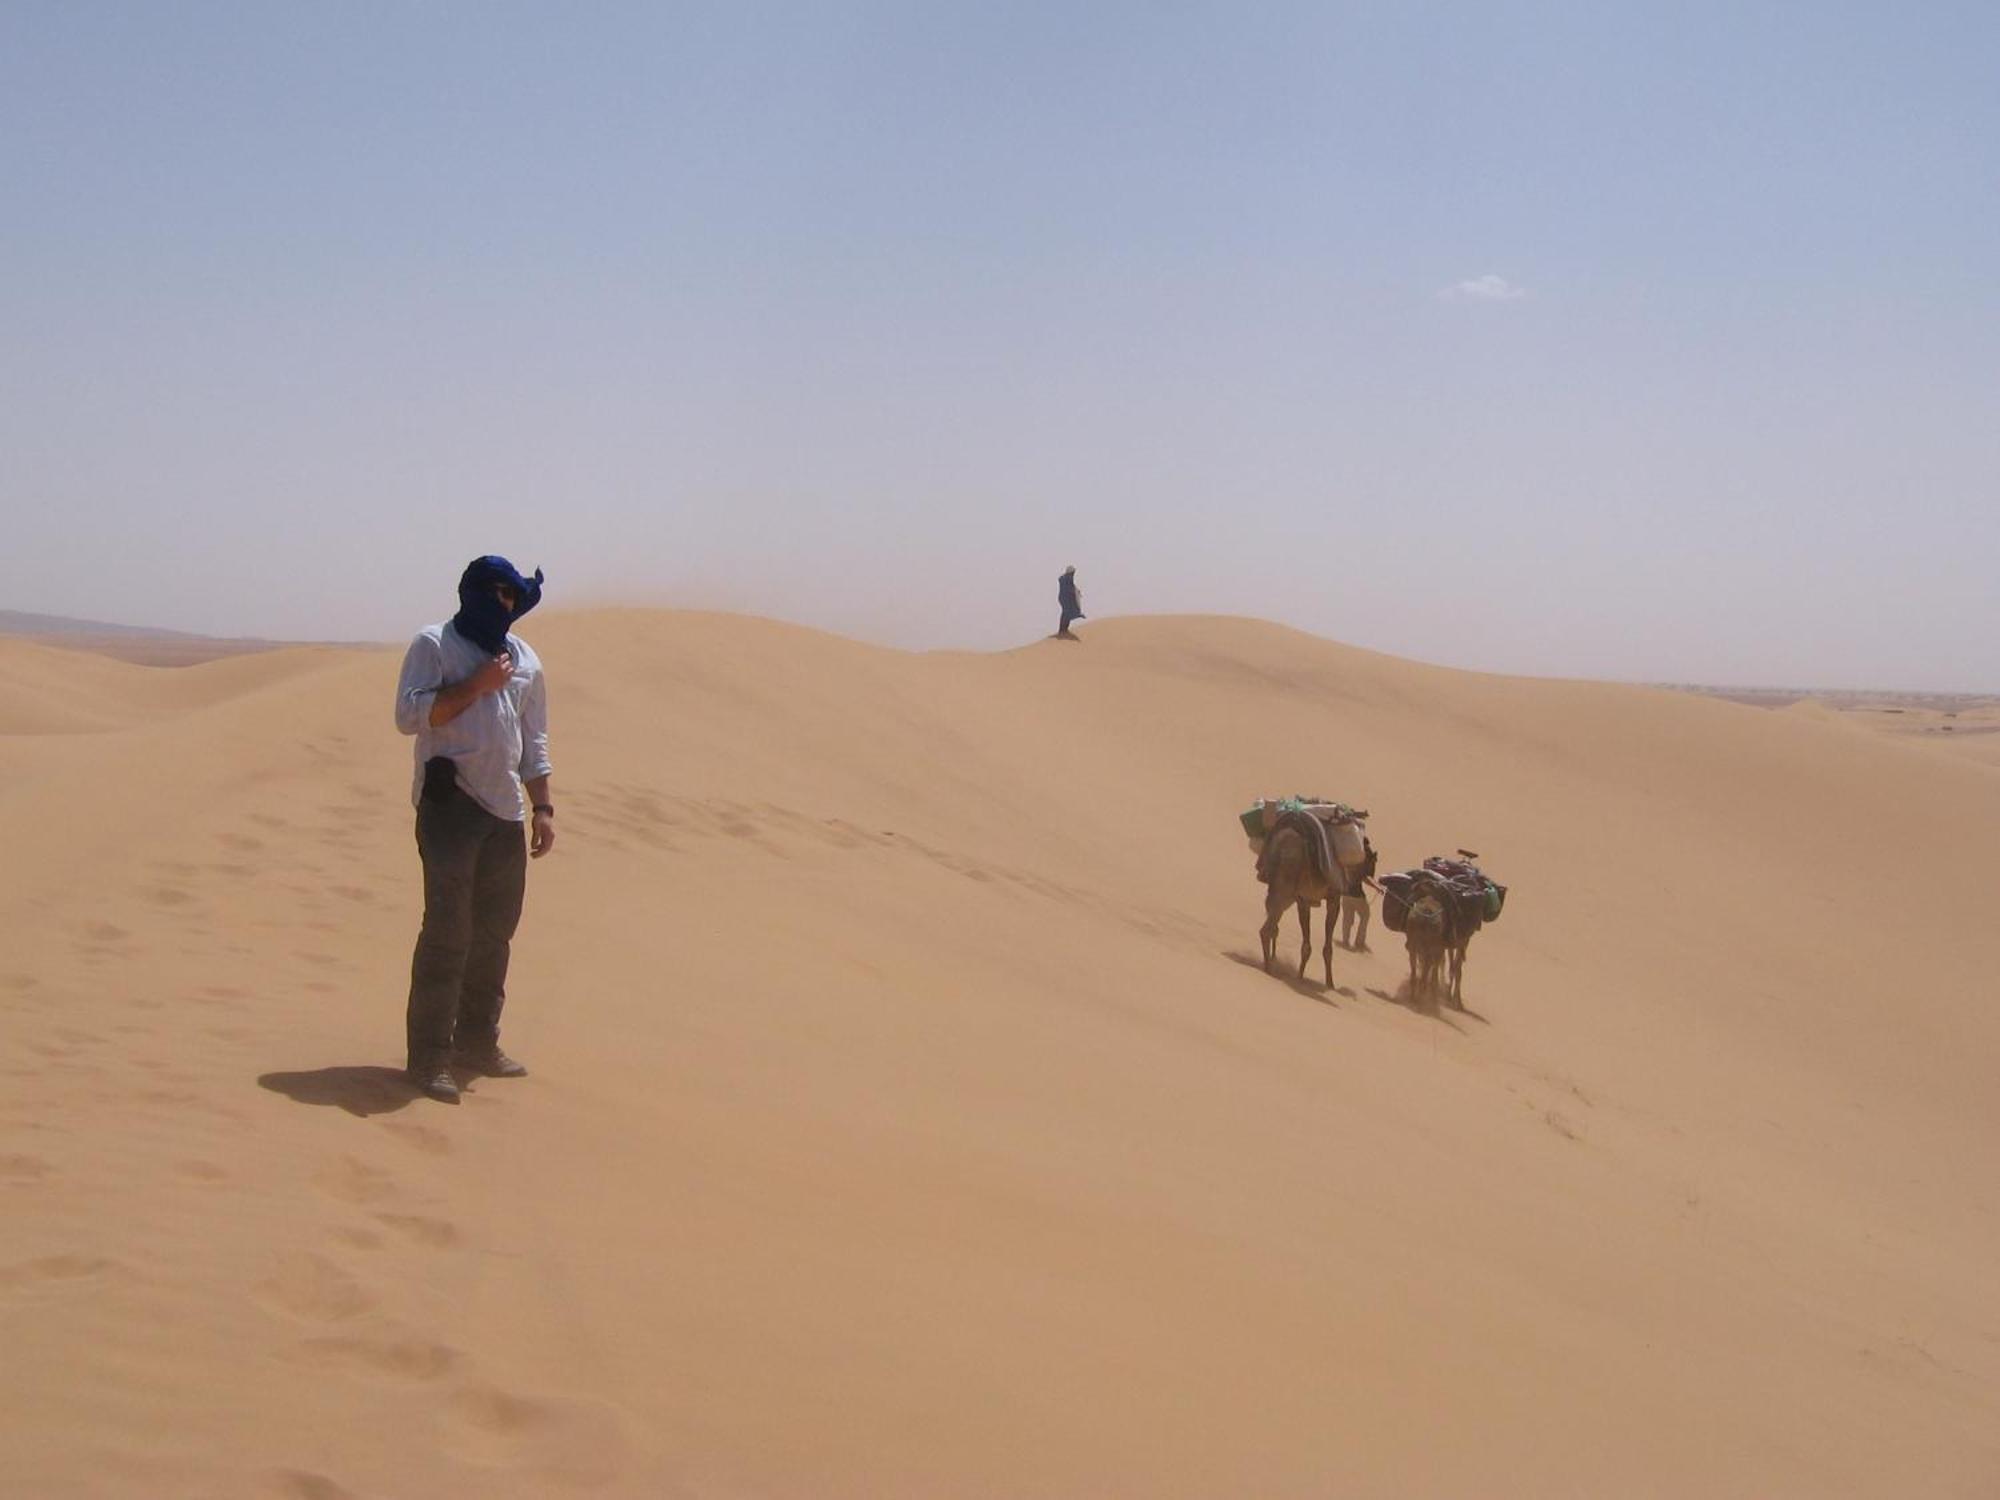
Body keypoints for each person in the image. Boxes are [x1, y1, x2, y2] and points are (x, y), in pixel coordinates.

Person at [394, 556, 555, 1103]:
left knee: (493, 935)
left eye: (511, 596)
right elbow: (408, 717)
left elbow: (534, 740)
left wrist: (544, 807)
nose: (503, 604)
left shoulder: (526, 659)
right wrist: (476, 685)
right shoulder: (435, 645)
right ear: (471, 593)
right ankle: (428, 1058)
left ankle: (478, 1043)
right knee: (447, 933)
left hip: (506, 812)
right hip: (450, 807)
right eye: (495, 593)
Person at [1339, 836, 1378, 952]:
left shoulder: (1349, 856)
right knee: (1365, 915)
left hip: (1345, 892)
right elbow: (1365, 877)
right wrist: (1377, 887)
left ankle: (1345, 941)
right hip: (1356, 894)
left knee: (1347, 917)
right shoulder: (1361, 857)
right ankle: (1359, 942)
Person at [1056, 565, 1084, 639]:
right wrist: (1074, 592)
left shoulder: (1065, 578)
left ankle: (1063, 629)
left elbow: (1071, 586)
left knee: (1066, 613)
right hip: (1066, 599)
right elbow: (1069, 588)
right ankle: (1063, 630)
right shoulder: (1068, 578)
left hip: (1064, 598)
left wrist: (1076, 591)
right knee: (1066, 613)